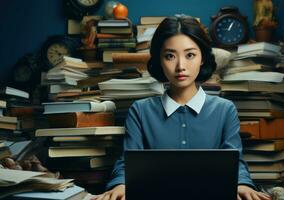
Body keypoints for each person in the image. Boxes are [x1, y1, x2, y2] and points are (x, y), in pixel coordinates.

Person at [92, 16, 271, 200]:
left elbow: (236, 162)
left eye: (190, 55)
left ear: (202, 58)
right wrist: (121, 186)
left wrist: (242, 184)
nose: (180, 66)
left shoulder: (225, 110)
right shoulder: (140, 111)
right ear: (159, 60)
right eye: (170, 56)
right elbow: (126, 163)